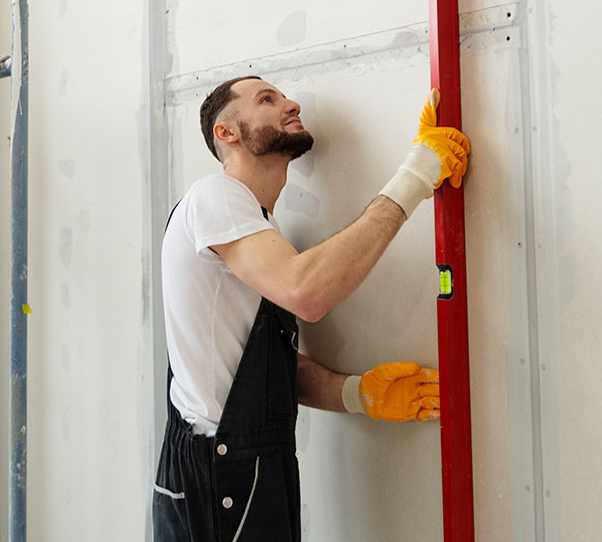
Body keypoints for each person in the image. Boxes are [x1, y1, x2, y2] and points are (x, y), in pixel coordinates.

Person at [152, 75, 470, 542]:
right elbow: (307, 291)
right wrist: (418, 174)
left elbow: (261, 368)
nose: (290, 102)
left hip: (243, 469)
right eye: (266, 99)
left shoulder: (259, 228)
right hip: (221, 475)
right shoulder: (215, 197)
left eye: (283, 96)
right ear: (227, 133)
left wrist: (359, 393)